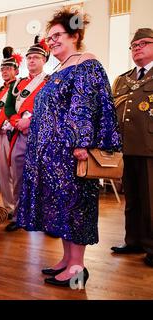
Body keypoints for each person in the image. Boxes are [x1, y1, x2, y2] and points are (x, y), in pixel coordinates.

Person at [16, 8, 122, 287]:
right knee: (60, 207)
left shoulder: (86, 64)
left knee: (75, 207)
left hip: (71, 154)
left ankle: (77, 267)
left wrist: (81, 142)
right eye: (49, 38)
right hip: (52, 155)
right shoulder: (59, 69)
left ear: (75, 35)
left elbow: (83, 106)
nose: (51, 41)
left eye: (57, 35)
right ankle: (66, 259)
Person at [111, 28, 153, 268]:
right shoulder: (123, 79)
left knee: (151, 199)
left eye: (143, 43)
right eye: (134, 45)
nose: (137, 48)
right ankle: (134, 240)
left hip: (150, 147)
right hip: (126, 148)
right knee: (133, 198)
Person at [4, 37, 50, 232]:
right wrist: (17, 122)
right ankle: (18, 216)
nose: (31, 61)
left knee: (45, 178)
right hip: (20, 134)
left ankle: (47, 220)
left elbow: (52, 108)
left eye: (36, 57)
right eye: (29, 58)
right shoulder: (17, 84)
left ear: (44, 60)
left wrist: (30, 122)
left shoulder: (50, 81)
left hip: (42, 135)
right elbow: (7, 108)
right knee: (18, 177)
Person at [0, 46, 21, 216]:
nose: (4, 71)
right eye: (2, 69)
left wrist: (12, 123)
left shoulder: (20, 87)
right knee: (4, 173)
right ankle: (9, 207)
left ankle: (20, 210)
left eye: (8, 68)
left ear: (16, 70)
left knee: (16, 173)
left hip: (15, 134)